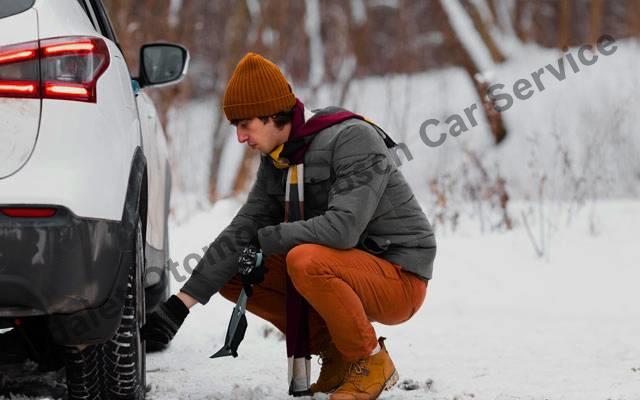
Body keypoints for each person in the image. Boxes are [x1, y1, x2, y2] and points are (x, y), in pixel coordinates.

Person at [141, 52, 436, 400]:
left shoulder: (352, 139)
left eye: (245, 124)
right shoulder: (280, 157)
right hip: (344, 266)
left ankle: (369, 361)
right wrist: (180, 305)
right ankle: (337, 354)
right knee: (236, 270)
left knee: (304, 259)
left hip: (398, 275)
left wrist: (269, 239)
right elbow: (245, 227)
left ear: (271, 115)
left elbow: (343, 229)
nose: (239, 137)